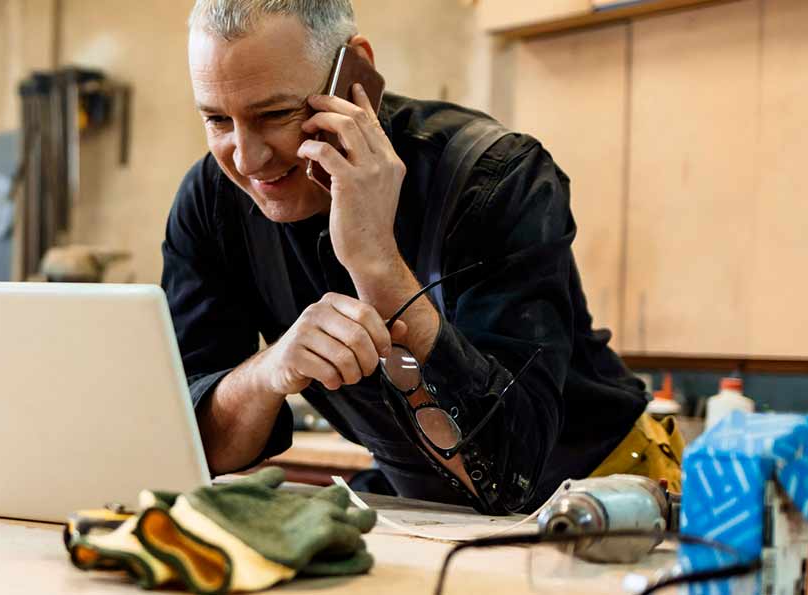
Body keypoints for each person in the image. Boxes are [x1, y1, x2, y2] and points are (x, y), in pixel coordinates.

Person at [163, 0, 680, 515]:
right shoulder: (211, 204)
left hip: (608, 490)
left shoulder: (495, 177)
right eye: (217, 120)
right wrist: (266, 372)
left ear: (354, 70)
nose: (248, 158)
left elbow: (509, 472)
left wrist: (377, 264)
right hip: (435, 508)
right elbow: (191, 446)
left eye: (276, 114)